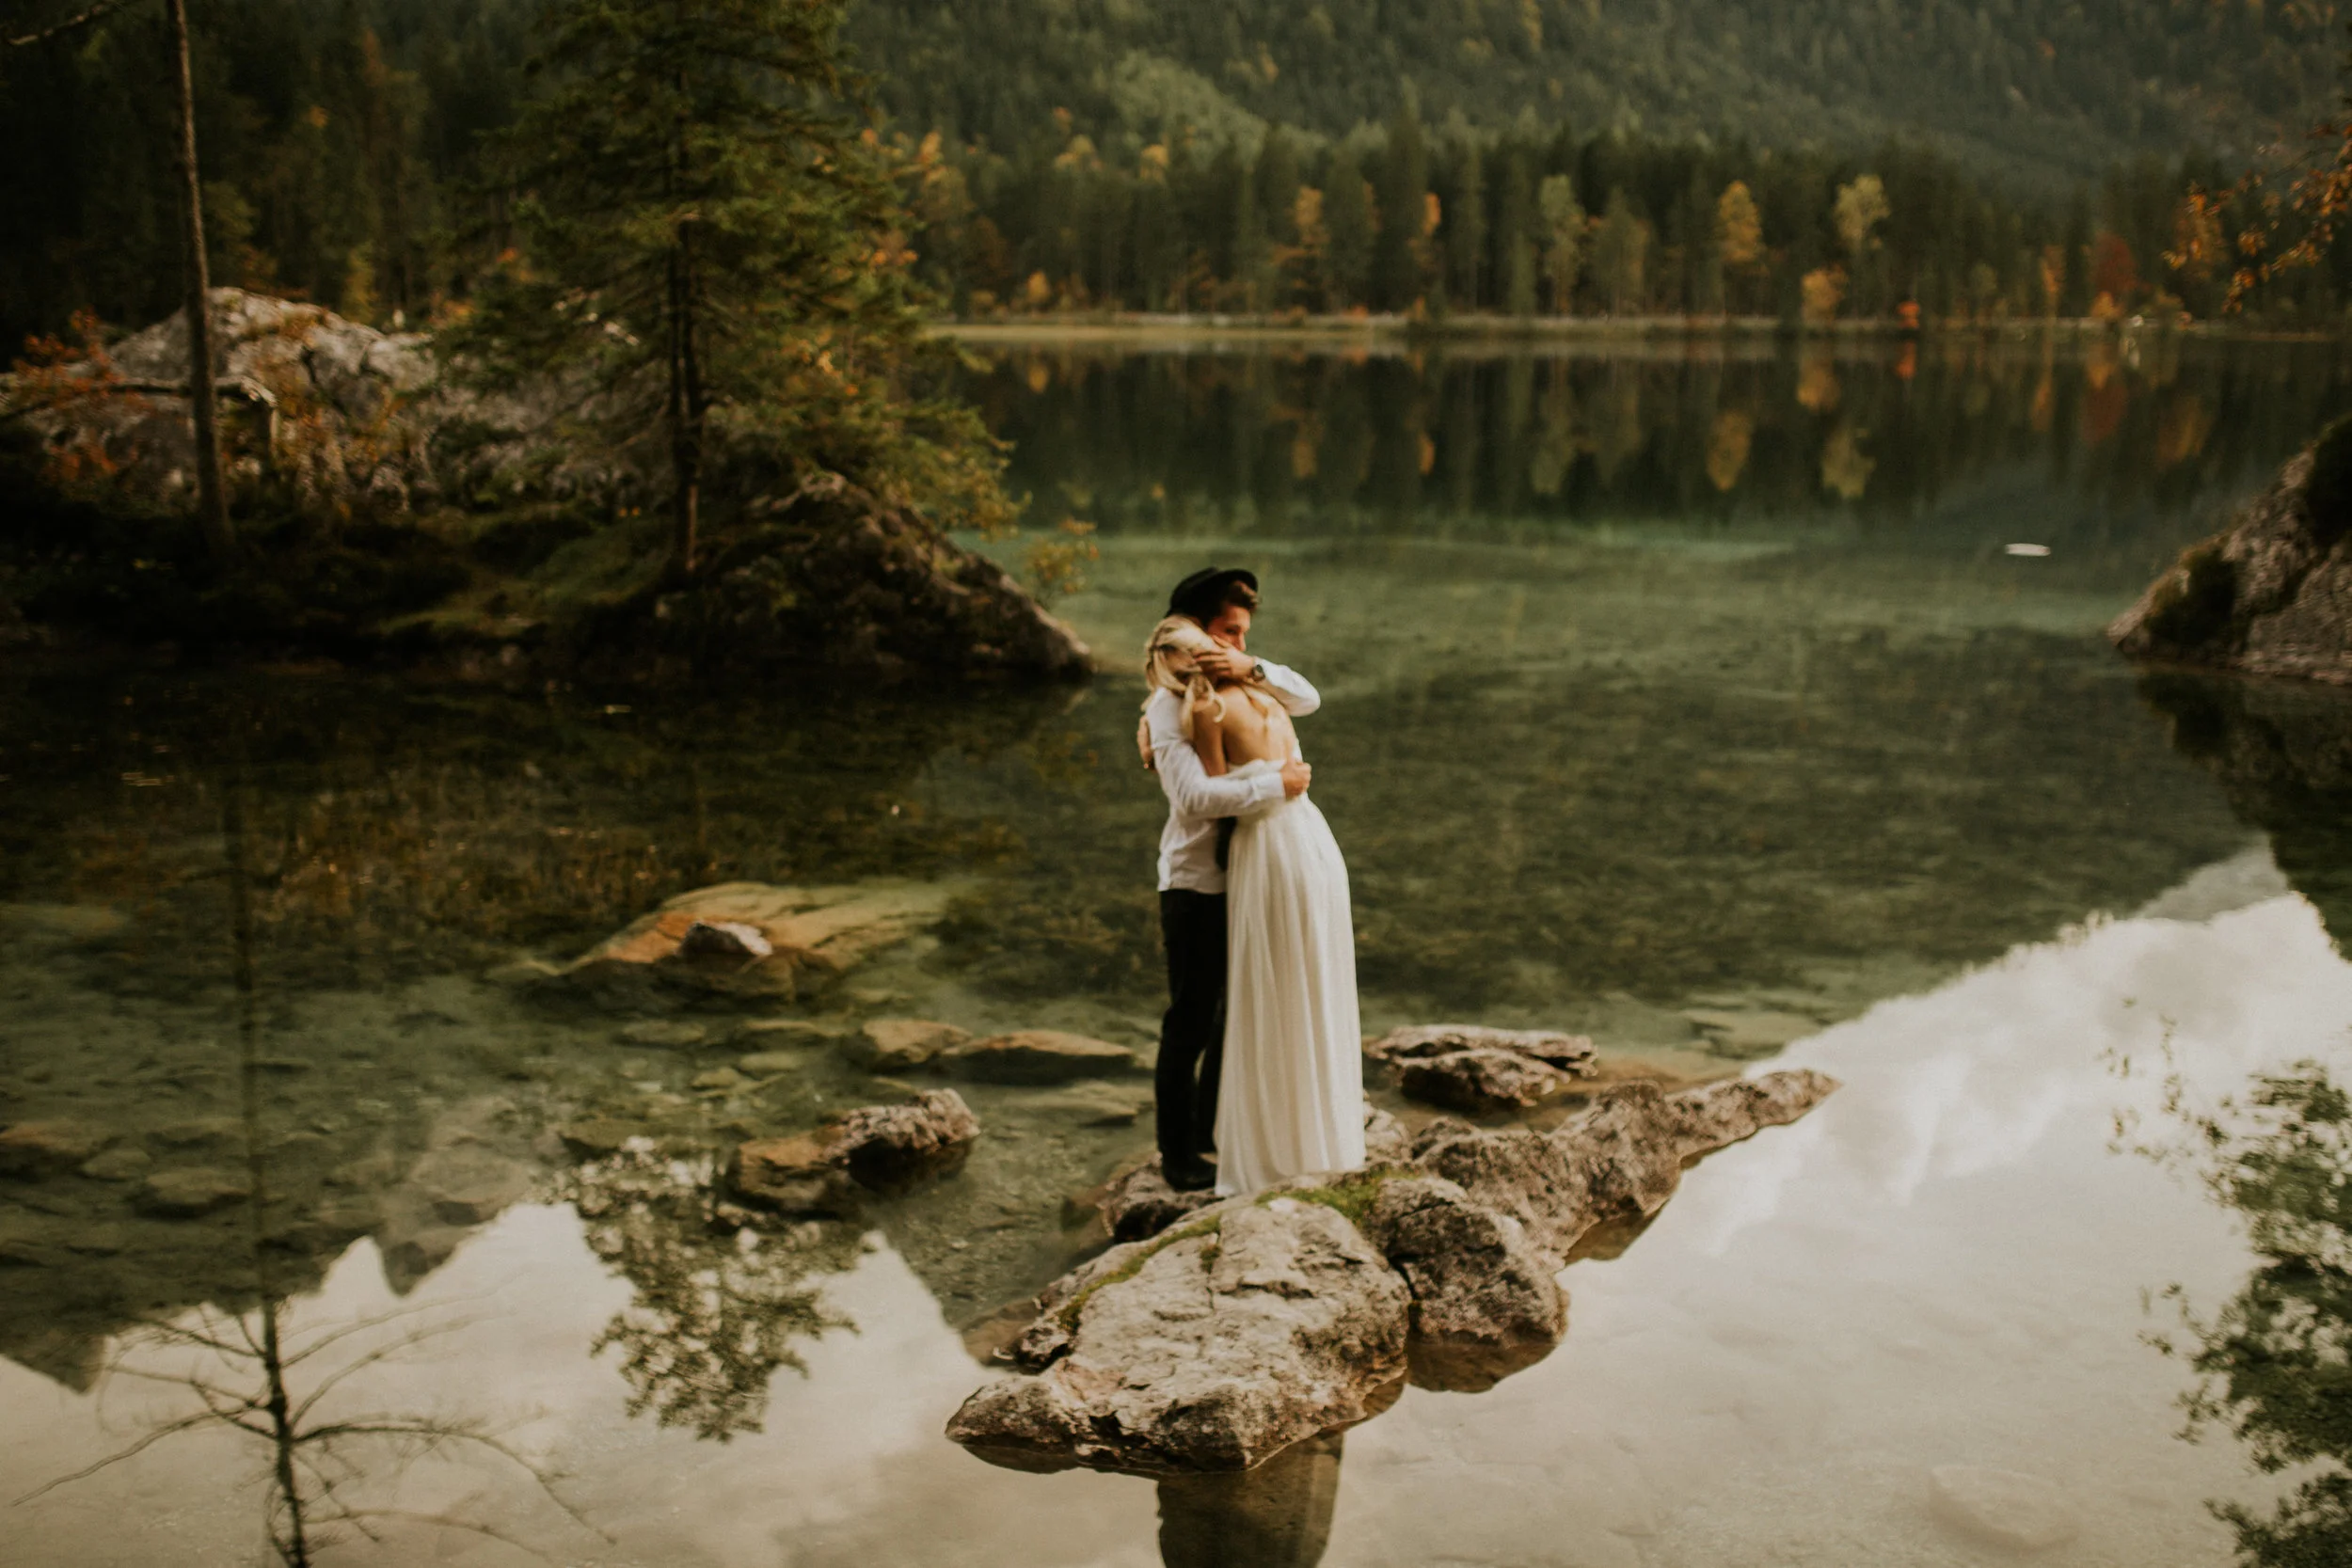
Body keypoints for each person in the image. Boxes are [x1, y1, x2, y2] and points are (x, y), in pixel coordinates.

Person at [1141, 569, 1363, 1195]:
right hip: (1196, 883)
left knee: (1235, 1010)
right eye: (1227, 631)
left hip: (1251, 874)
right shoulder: (1167, 705)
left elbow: (1309, 697)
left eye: (1242, 633)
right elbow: (1194, 796)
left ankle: (1218, 1129)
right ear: (1193, 628)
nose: (1235, 643)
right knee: (1191, 1016)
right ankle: (1176, 1153)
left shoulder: (1242, 680)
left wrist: (1253, 666)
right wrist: (1278, 783)